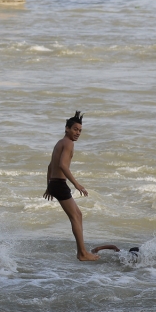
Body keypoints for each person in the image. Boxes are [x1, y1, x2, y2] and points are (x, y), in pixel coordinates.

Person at [43, 111, 100, 261]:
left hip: (55, 183)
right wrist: (76, 184)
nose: (78, 133)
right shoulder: (68, 143)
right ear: (67, 128)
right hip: (60, 184)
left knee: (78, 215)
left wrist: (49, 186)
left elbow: (50, 166)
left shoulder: (59, 143)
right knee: (75, 217)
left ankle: (82, 250)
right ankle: (82, 254)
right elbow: (62, 165)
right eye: (75, 129)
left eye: (80, 130)